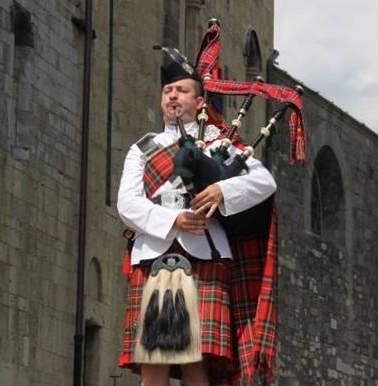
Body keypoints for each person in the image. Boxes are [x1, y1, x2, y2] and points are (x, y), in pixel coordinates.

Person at [117, 59, 277, 386]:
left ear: (199, 101)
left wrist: (222, 189)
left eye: (182, 91)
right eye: (168, 91)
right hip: (153, 257)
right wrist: (173, 219)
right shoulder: (143, 148)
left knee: (197, 363)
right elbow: (126, 203)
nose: (173, 97)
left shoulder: (221, 142)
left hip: (206, 256)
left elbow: (264, 182)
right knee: (153, 362)